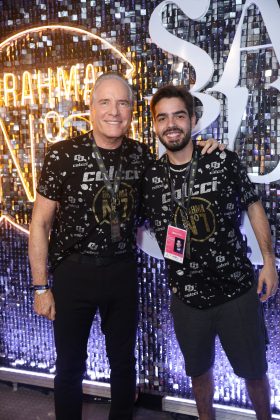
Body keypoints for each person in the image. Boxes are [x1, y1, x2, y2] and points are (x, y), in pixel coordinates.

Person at [28, 72, 222, 420]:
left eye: (122, 103)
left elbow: (176, 174)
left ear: (131, 110)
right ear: (91, 108)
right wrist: (41, 286)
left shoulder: (141, 155)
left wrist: (209, 148)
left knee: (123, 363)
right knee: (70, 366)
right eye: (105, 102)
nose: (114, 111)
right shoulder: (62, 155)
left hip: (121, 270)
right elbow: (40, 224)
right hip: (73, 272)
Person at [142, 84, 279, 420]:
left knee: (254, 372)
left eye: (179, 115)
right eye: (163, 118)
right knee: (198, 374)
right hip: (187, 299)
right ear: (155, 126)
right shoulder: (151, 177)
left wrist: (269, 263)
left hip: (236, 292)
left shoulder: (221, 159)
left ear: (193, 120)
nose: (171, 124)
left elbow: (254, 206)